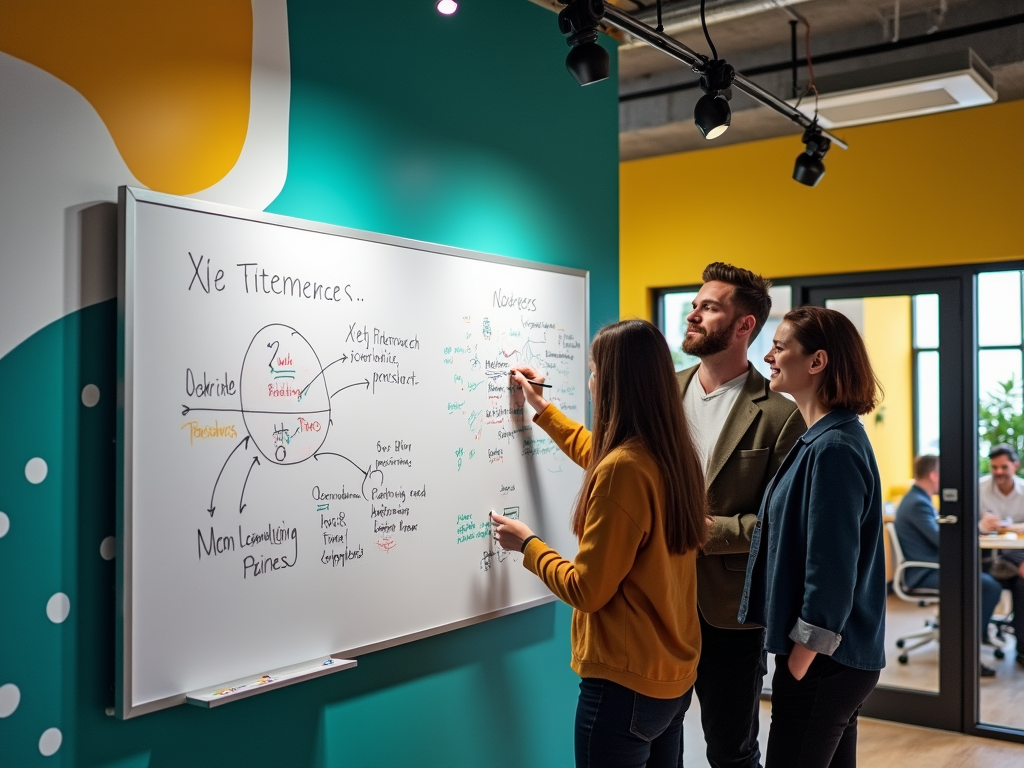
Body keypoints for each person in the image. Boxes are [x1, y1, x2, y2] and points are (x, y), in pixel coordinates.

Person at [492, 319, 708, 768]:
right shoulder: (670, 455)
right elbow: (601, 453)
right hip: (672, 679)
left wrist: (528, 545)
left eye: (593, 373)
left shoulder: (624, 470)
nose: (590, 384)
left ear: (614, 384)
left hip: (624, 687)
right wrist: (542, 408)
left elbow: (587, 591)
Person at [738, 306, 886, 768]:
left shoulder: (834, 447)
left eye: (780, 347)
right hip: (830, 662)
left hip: (823, 663)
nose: (768, 356)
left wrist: (802, 659)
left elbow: (832, 565)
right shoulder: (822, 439)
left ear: (817, 361)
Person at [677, 262, 805, 768]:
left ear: (744, 325)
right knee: (654, 739)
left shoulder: (781, 412)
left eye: (709, 307)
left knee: (730, 749)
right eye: (696, 304)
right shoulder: (663, 394)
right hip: (655, 601)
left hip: (730, 613)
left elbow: (781, 524)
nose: (694, 313)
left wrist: (705, 532)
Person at [895, 454, 1002, 676]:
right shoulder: (917, 503)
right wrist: (979, 527)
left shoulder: (919, 499)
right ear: (934, 475)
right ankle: (971, 652)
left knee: (983, 577)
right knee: (989, 586)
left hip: (931, 566)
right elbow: (941, 540)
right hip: (923, 573)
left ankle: (972, 635)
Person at [978, 444, 1024, 669]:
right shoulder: (978, 488)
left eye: (1003, 467)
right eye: (994, 467)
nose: (998, 472)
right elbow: (963, 525)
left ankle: (1022, 648)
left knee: (1022, 582)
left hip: (1015, 557)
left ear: (1016, 465)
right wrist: (981, 525)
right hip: (985, 559)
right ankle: (975, 641)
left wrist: (1012, 527)